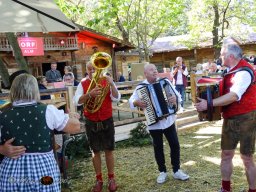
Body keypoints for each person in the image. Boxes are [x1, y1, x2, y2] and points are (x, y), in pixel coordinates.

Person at [0, 74, 81, 191]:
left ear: (13, 90)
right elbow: (76, 127)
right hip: (43, 169)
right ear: (35, 90)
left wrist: (2, 149)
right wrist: (72, 117)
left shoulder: (2, 113)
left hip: (11, 173)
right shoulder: (47, 110)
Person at [195, 37, 256, 192]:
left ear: (230, 56)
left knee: (247, 158)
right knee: (226, 154)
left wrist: (208, 104)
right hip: (230, 118)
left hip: (247, 118)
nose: (219, 57)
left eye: (222, 55)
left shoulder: (244, 72)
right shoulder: (229, 71)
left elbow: (234, 96)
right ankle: (226, 188)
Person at [129, 63, 189, 184]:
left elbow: (177, 95)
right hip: (154, 123)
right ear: (146, 73)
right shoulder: (141, 87)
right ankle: (162, 171)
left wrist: (174, 99)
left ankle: (176, 170)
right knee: (158, 148)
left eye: (155, 69)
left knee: (175, 144)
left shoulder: (165, 82)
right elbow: (131, 100)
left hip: (168, 121)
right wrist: (137, 102)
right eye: (151, 70)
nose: (155, 71)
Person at [74, 58, 120, 192]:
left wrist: (111, 84)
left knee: (109, 150)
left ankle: (111, 178)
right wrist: (89, 94)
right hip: (91, 120)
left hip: (106, 118)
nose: (93, 71)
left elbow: (116, 98)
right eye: (90, 69)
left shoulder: (107, 79)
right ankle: (99, 179)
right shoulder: (82, 83)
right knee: (95, 151)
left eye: (95, 68)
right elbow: (77, 101)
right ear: (86, 70)